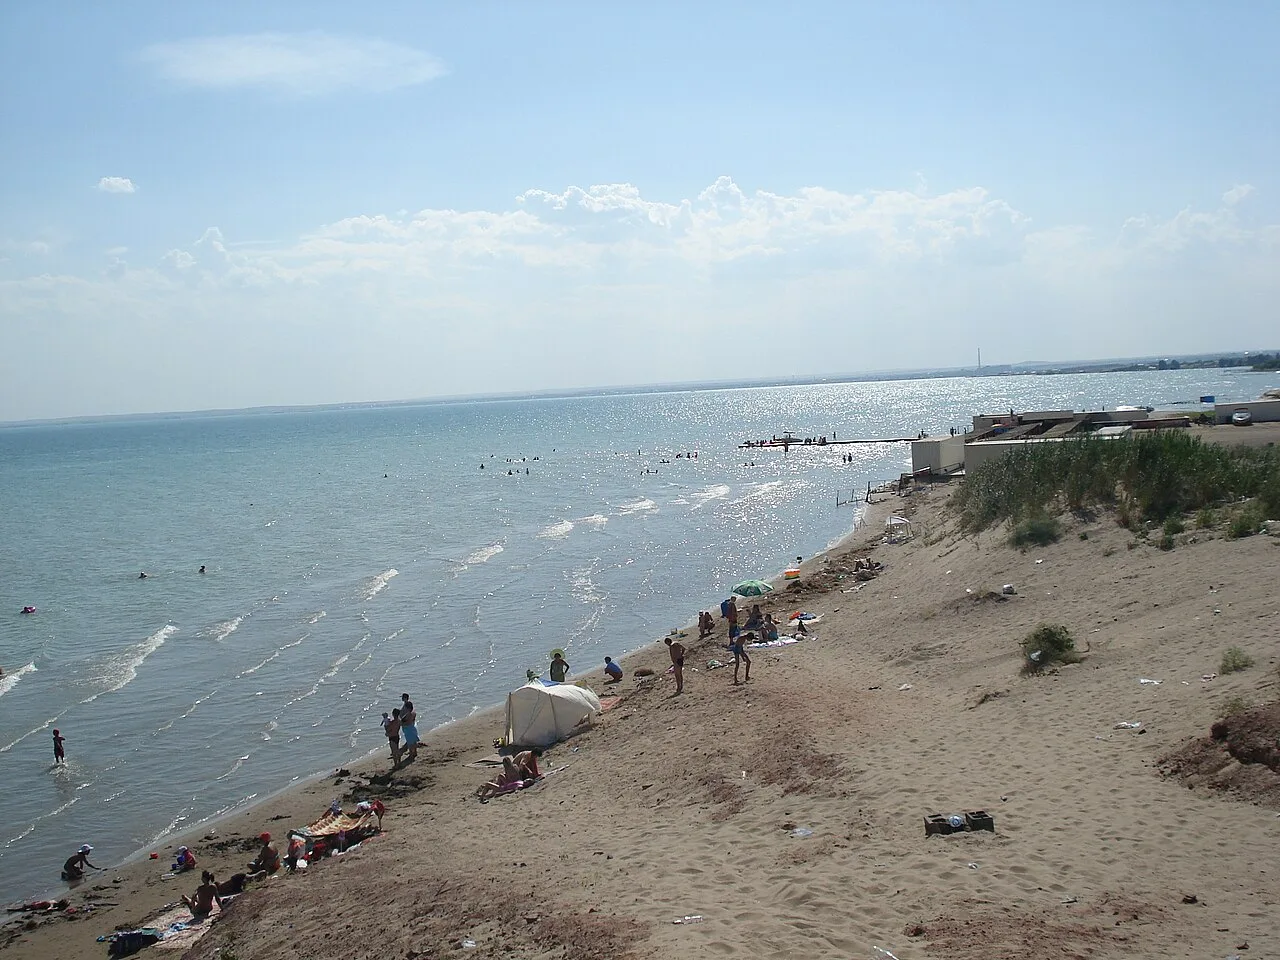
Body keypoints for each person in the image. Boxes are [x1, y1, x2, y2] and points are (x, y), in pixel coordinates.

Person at [399, 694, 419, 763]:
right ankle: (415, 752)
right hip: (412, 727)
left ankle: (411, 755)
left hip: (408, 728)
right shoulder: (413, 712)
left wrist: (401, 724)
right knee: (414, 741)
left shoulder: (408, 714)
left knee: (410, 743)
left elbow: (407, 722)